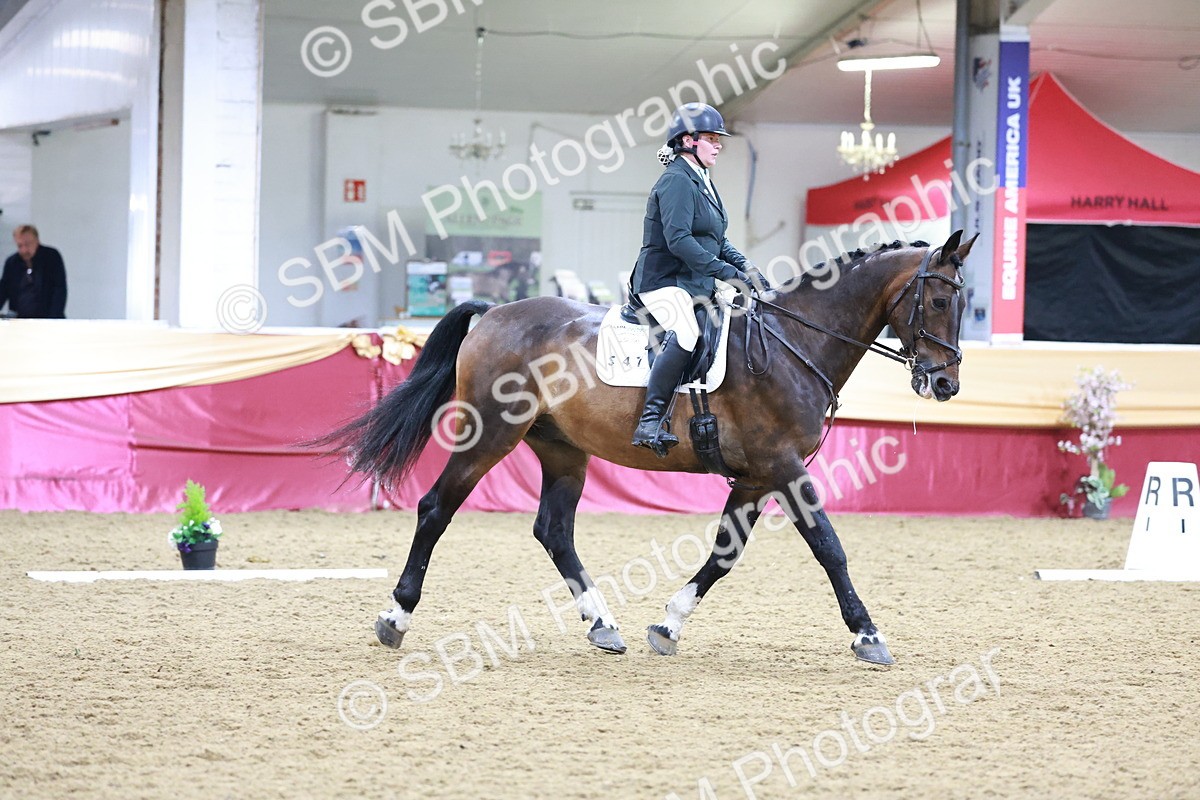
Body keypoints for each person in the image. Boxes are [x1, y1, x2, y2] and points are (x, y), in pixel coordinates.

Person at [629, 102, 770, 455]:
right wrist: (727, 274)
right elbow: (680, 241)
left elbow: (717, 240)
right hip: (664, 281)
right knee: (688, 334)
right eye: (710, 138)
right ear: (688, 141)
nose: (718, 144)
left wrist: (746, 268)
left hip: (694, 283)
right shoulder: (676, 180)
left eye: (717, 138)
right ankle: (649, 421)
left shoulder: (703, 180)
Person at [0, 225, 67, 318]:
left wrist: (53, 319)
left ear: (37, 241)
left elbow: (59, 290)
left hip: (47, 319)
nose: (24, 250)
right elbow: (3, 290)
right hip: (19, 321)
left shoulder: (51, 257)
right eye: (20, 245)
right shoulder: (12, 262)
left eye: (27, 244)